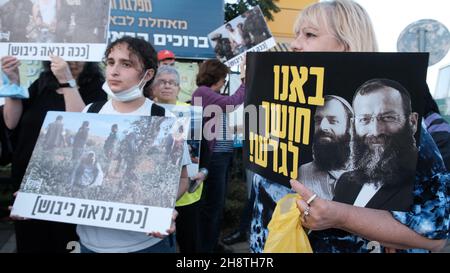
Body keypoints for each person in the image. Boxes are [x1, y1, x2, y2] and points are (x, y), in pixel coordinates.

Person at [250, 0, 448, 253]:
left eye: (309, 34)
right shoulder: (279, 111)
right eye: (297, 34)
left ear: (347, 45)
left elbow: (435, 236)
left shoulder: (397, 130)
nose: (295, 44)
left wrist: (340, 216)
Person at [77, 36, 191, 253]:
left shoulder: (164, 119)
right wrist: (36, 199)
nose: (114, 71)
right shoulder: (91, 111)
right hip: (89, 243)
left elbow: (183, 179)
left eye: (126, 64)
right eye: (110, 62)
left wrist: (164, 207)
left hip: (146, 244)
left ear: (148, 74)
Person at [1, 54, 106, 253]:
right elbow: (10, 122)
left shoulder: (97, 89)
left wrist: (67, 81)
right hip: (28, 181)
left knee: (66, 242)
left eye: (76, 56)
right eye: (63, 55)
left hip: (67, 186)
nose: (70, 61)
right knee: (31, 242)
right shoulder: (42, 85)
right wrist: (13, 82)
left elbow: (82, 124)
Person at [334, 79, 419, 210]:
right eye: (364, 119)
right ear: (352, 126)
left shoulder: (427, 189)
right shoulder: (346, 182)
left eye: (388, 117)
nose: (376, 131)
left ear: (412, 122)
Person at [192, 59, 245, 252]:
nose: (224, 81)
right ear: (215, 76)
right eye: (223, 77)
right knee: (212, 205)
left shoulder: (210, 94)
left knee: (216, 203)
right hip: (214, 157)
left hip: (221, 155)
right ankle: (207, 248)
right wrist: (245, 83)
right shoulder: (203, 92)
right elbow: (231, 103)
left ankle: (211, 243)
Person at [298, 95, 353, 201]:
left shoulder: (367, 176)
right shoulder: (304, 172)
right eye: (318, 121)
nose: (322, 127)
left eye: (333, 121)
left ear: (349, 127)